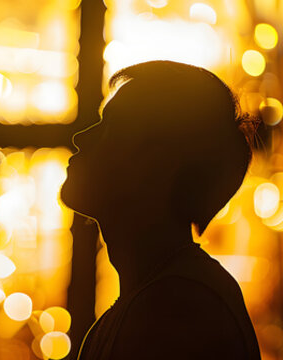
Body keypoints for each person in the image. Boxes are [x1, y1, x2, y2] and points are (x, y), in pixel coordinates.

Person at [60, 60, 265, 359]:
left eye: (111, 128)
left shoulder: (176, 309)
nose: (80, 138)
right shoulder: (157, 297)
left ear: (156, 167)